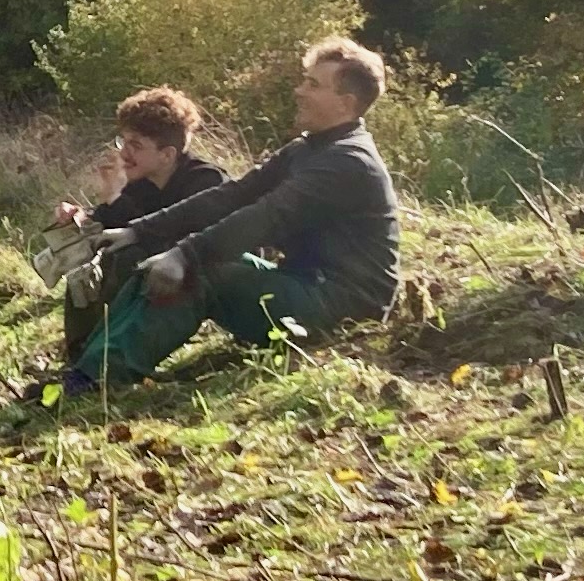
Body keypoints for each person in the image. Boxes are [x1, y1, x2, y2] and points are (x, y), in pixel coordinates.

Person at [54, 38, 403, 399]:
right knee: (147, 256)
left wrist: (185, 255)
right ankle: (85, 367)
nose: (299, 91)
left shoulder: (347, 160)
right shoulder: (307, 148)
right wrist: (137, 231)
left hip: (344, 304)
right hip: (305, 283)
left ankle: (95, 382)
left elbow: (267, 217)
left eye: (313, 85)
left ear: (345, 103)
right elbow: (234, 195)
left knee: (199, 271)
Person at [51, 86, 231, 374]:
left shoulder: (205, 182)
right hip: (163, 277)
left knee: (126, 256)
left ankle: (107, 358)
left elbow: (164, 237)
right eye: (123, 141)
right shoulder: (143, 181)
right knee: (87, 260)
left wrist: (115, 199)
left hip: (207, 278)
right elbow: (113, 226)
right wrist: (80, 217)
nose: (124, 152)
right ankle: (80, 356)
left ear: (167, 154)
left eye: (136, 145)